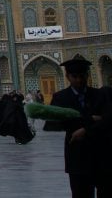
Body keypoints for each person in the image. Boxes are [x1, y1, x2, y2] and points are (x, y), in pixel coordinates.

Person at [44, 57, 111, 196]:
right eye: (75, 77)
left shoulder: (100, 95)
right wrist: (92, 118)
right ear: (68, 76)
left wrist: (85, 129)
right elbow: (53, 123)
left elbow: (108, 121)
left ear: (87, 75)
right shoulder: (60, 98)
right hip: (77, 157)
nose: (79, 80)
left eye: (82, 76)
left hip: (102, 156)